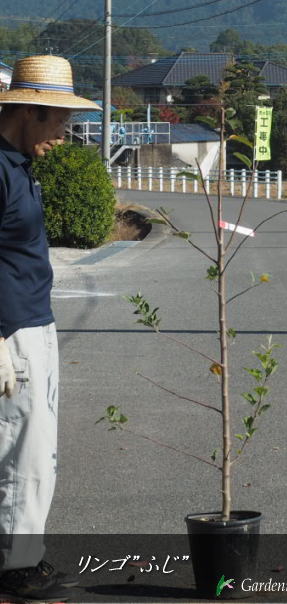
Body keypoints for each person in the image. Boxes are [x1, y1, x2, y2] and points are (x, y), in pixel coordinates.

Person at [0, 54, 100, 602]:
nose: (65, 134)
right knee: (23, 450)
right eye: (60, 121)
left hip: (31, 321)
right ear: (30, 112)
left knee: (33, 447)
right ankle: (17, 567)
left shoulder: (17, 165)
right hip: (10, 328)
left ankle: (21, 557)